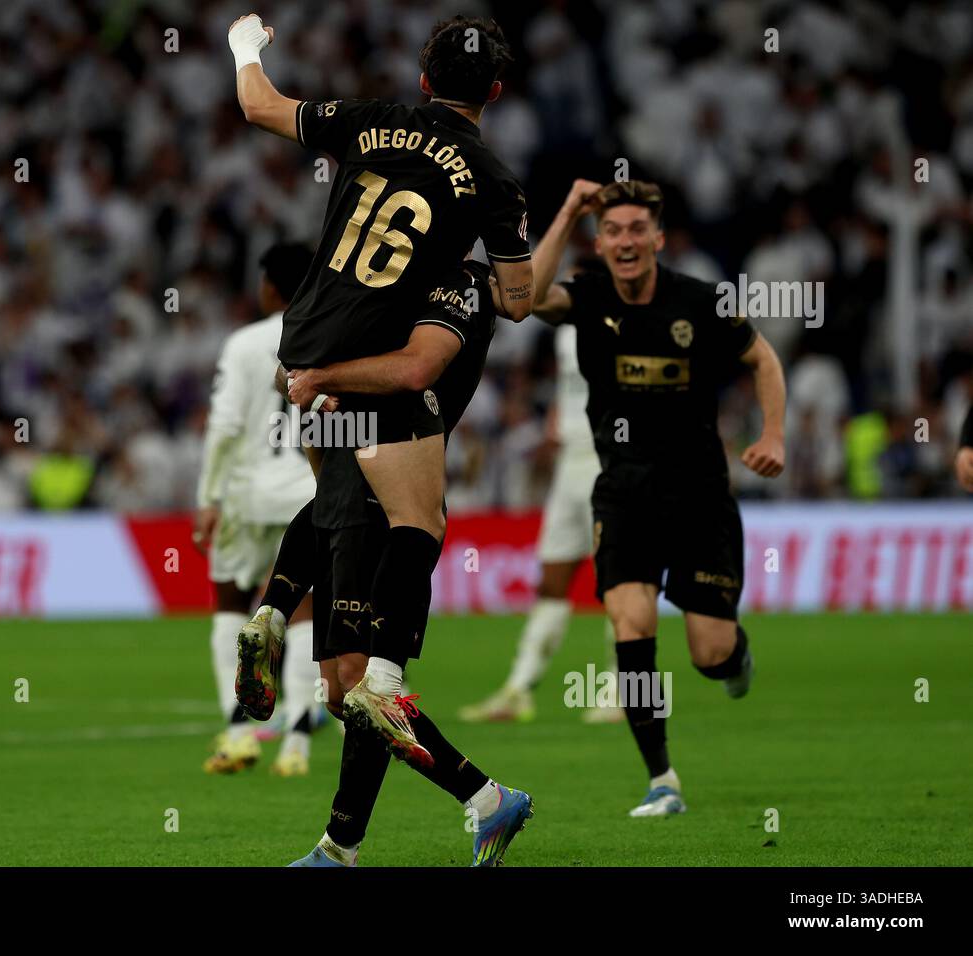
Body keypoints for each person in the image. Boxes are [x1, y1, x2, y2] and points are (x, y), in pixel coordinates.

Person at [227, 13, 534, 751]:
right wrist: (458, 271)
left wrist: (245, 45)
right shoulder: (493, 180)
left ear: (424, 80)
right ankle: (386, 681)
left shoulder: (371, 121)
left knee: (339, 484)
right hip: (367, 359)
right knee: (418, 520)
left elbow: (257, 105)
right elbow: (520, 302)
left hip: (299, 344)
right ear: (494, 90)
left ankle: (274, 610)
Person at [246, 260, 533, 867]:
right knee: (343, 692)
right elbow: (289, 374)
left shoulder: (449, 285)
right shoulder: (388, 281)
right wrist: (315, 386)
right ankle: (484, 799)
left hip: (382, 482)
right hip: (353, 473)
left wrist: (317, 382)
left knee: (362, 688)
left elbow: (419, 364)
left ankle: (343, 846)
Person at [530, 179, 787, 816]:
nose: (625, 241)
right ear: (602, 241)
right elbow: (523, 296)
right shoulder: (586, 296)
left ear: (658, 238)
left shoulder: (698, 302)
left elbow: (765, 361)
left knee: (710, 654)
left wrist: (774, 434)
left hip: (699, 496)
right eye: (612, 231)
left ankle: (736, 659)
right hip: (623, 494)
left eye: (636, 230)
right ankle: (662, 779)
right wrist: (567, 210)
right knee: (631, 625)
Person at [192, 243, 320, 776]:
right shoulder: (328, 333)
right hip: (306, 492)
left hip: (246, 496)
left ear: (269, 287)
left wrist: (207, 499)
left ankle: (240, 733)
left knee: (230, 607)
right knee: (305, 613)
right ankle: (296, 744)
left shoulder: (243, 343)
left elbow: (222, 429)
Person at [459, 311, 621, 725]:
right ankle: (519, 689)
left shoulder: (628, 324)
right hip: (570, 464)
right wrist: (555, 428)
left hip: (612, 462)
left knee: (620, 582)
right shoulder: (567, 331)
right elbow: (568, 392)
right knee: (552, 580)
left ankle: (623, 690)